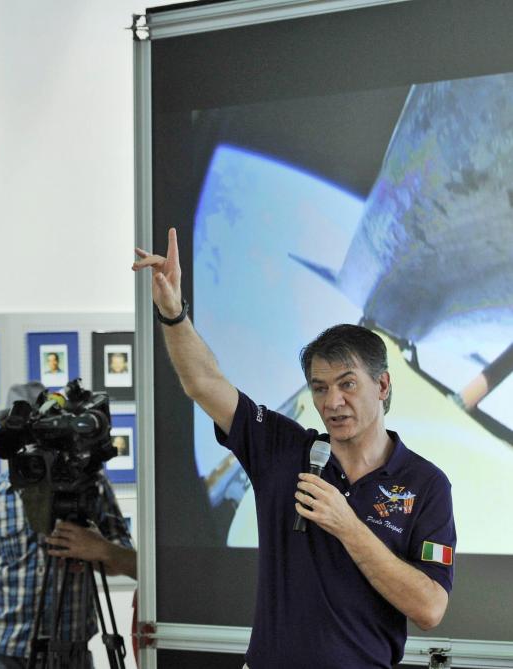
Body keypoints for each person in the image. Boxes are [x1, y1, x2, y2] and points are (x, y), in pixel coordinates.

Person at [132, 228, 456, 668]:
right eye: (320, 388)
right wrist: (173, 314)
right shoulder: (285, 450)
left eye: (347, 385)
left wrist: (348, 526)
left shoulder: (425, 483)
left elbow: (430, 608)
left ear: (381, 385)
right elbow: (204, 383)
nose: (332, 402)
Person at [0, 470, 136, 669]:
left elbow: (134, 565)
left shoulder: (92, 486)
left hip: (70, 653)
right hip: (4, 652)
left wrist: (99, 549)